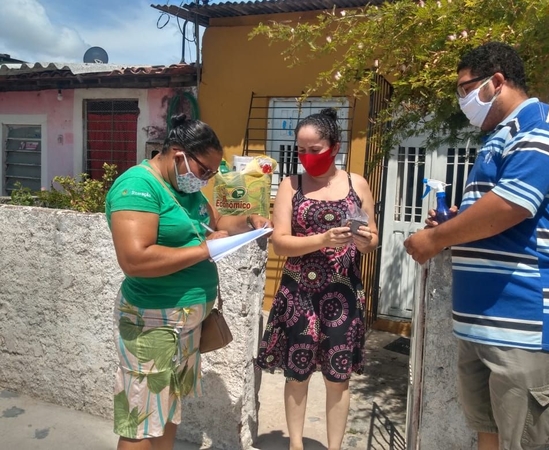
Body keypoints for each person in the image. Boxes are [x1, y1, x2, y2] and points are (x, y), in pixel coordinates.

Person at [404, 42, 549, 450]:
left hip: (527, 319)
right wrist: (455, 224)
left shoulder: (542, 123)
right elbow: (493, 216)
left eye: (465, 88)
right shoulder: (498, 137)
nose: (462, 100)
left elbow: (511, 206)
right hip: (484, 320)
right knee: (486, 433)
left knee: (528, 442)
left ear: (497, 81)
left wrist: (435, 238)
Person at [105, 114, 271, 450]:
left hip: (185, 322)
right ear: (178, 154)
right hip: (152, 321)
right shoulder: (137, 187)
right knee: (140, 421)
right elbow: (135, 259)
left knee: (168, 410)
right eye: (204, 171)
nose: (206, 179)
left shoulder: (184, 189)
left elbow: (214, 223)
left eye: (211, 173)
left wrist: (249, 222)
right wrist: (203, 251)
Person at [255, 108, 379, 450]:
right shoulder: (290, 186)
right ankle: (296, 445)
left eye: (315, 149)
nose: (307, 157)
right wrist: (323, 240)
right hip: (300, 296)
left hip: (344, 296)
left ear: (335, 147)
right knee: (297, 375)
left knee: (338, 378)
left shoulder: (358, 184)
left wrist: (364, 240)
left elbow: (372, 238)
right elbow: (280, 242)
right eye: (302, 150)